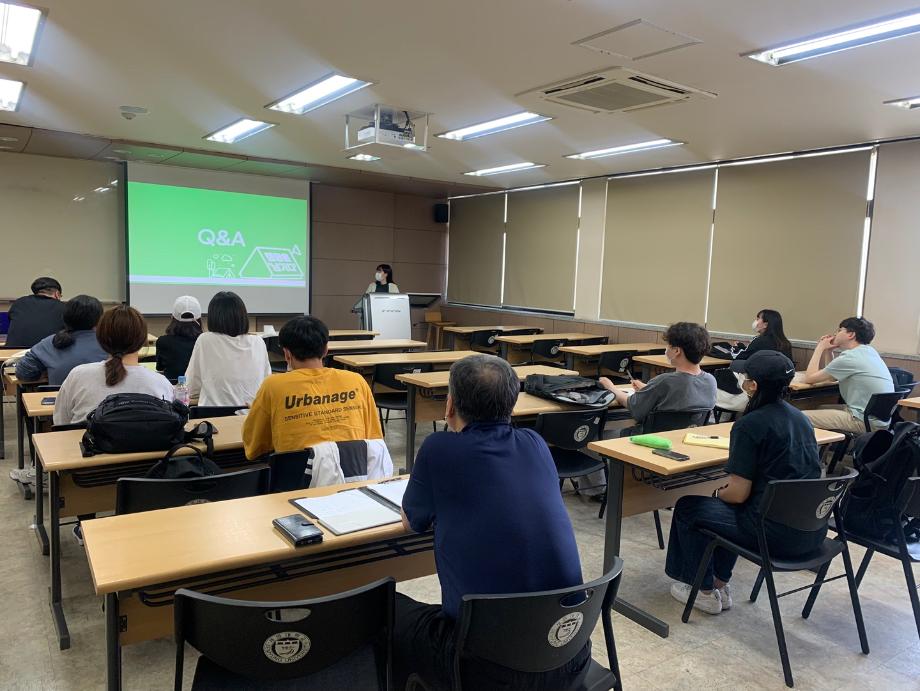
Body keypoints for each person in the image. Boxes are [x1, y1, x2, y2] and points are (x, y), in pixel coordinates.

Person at [395, 354, 587, 689]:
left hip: (484, 670)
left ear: (449, 404)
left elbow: (411, 523)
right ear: (513, 404)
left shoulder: (439, 449)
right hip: (568, 652)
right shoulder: (536, 443)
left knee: (388, 610)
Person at [666, 350, 826, 615]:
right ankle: (719, 584)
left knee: (689, 507)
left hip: (773, 534)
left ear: (752, 386)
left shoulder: (750, 424)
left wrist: (718, 492)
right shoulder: (800, 419)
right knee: (728, 508)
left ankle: (702, 590)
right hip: (811, 531)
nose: (742, 380)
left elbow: (738, 494)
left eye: (745, 377)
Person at [242, 315, 382, 458]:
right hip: (355, 469)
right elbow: (375, 440)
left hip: (297, 472)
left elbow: (254, 446)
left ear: (287, 354)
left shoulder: (272, 386)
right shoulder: (357, 381)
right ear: (326, 350)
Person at [54, 305, 175, 426]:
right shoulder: (161, 383)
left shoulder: (78, 375)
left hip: (85, 439)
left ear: (100, 338)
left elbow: (61, 423)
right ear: (143, 340)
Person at [599, 322, 717, 433]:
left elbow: (634, 407)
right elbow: (680, 397)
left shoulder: (664, 381)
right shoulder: (711, 381)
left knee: (608, 435)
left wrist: (611, 388)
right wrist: (648, 388)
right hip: (687, 438)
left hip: (653, 440)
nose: (666, 349)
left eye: (668, 345)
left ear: (677, 351)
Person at [801, 316, 894, 433]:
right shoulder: (869, 352)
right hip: (878, 420)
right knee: (821, 408)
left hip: (863, 421)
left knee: (799, 417)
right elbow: (832, 377)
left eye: (839, 330)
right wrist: (829, 351)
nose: (835, 334)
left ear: (851, 334)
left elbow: (809, 378)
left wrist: (820, 347)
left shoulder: (850, 357)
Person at [184, 291, 270, 407]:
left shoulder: (205, 340)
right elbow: (266, 384)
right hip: (251, 414)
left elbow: (190, 387)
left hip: (213, 415)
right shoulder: (258, 342)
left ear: (213, 317)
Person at [15, 294, 107, 385]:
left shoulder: (49, 343)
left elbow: (23, 373)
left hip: (61, 394)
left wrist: (47, 373)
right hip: (105, 394)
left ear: (64, 317)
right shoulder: (109, 342)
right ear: (100, 320)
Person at [5, 277, 67, 348]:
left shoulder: (19, 303)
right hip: (46, 352)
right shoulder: (63, 307)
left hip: (13, 352)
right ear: (57, 294)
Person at [155, 295, 202, 381]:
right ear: (199, 319)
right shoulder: (204, 342)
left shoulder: (163, 342)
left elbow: (159, 368)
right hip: (198, 388)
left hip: (171, 388)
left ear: (172, 318)